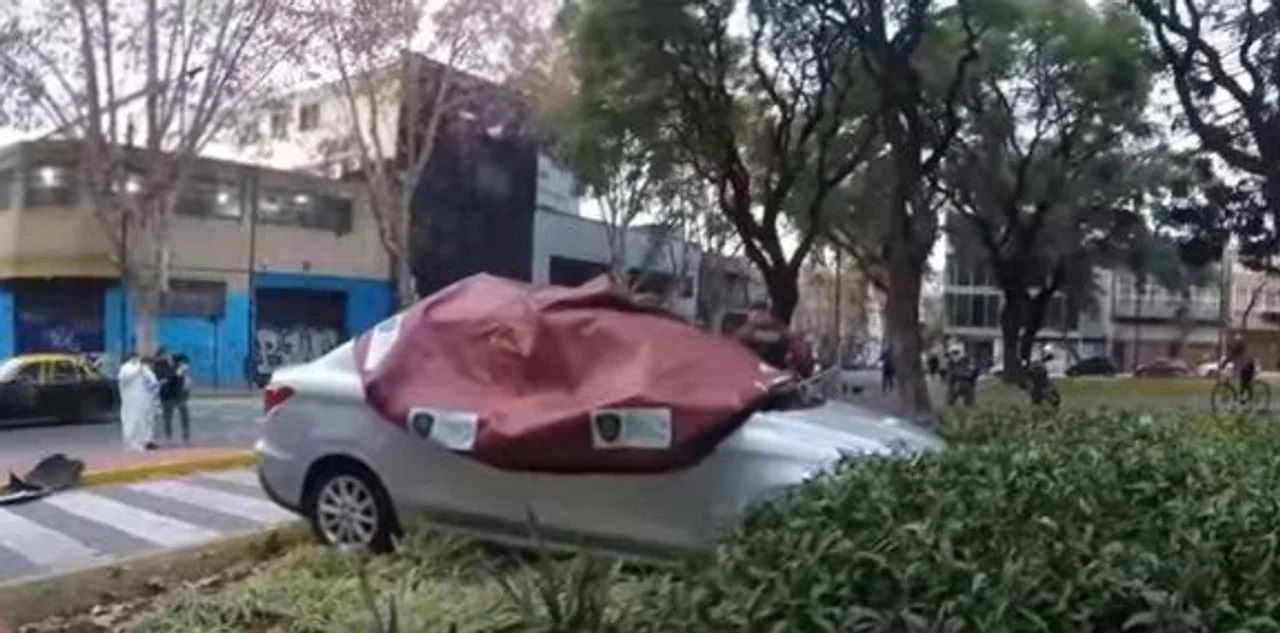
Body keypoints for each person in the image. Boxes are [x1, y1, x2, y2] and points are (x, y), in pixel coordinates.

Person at [734, 301, 815, 378]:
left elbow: (789, 336)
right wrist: (783, 337)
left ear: (767, 314)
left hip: (779, 368)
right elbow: (750, 336)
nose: (755, 319)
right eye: (753, 317)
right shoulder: (747, 331)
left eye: (759, 315)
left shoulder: (777, 326)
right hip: (754, 369)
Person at [118, 353, 158, 451]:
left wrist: (152, 386)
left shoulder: (144, 369)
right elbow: (125, 378)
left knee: (144, 421)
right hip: (131, 401)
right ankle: (131, 443)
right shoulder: (126, 368)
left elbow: (153, 381)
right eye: (135, 358)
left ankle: (144, 441)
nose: (137, 360)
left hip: (144, 400)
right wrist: (137, 371)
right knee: (132, 421)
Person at [165, 353, 192, 443]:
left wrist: (186, 395)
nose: (187, 366)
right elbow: (170, 378)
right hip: (171, 396)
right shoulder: (172, 369)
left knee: (184, 415)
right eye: (185, 363)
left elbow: (187, 385)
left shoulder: (185, 372)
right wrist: (178, 372)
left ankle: (185, 434)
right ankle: (168, 435)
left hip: (181, 396)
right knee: (168, 416)